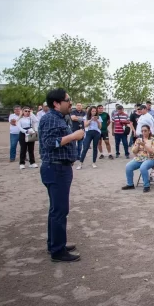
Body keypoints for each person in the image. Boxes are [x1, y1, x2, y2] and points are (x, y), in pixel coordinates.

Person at [39, 88, 85, 262]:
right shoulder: (51, 118)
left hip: (58, 168)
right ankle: (57, 251)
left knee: (56, 209)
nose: (70, 103)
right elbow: (50, 143)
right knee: (60, 210)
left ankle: (55, 244)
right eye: (67, 100)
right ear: (57, 103)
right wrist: (73, 136)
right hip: (56, 169)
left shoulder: (56, 118)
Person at [121, 124, 154, 193]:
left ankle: (146, 185)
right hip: (139, 158)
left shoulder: (153, 140)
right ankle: (130, 184)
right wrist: (138, 145)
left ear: (149, 131)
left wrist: (144, 145)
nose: (143, 132)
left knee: (143, 167)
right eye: (142, 131)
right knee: (128, 166)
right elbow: (134, 151)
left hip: (150, 158)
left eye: (145, 131)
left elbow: (152, 152)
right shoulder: (138, 139)